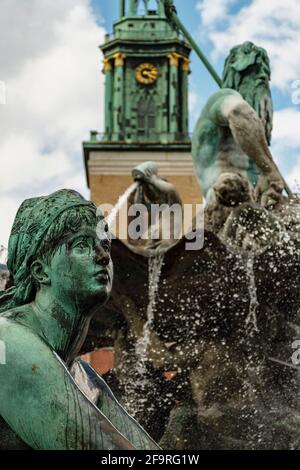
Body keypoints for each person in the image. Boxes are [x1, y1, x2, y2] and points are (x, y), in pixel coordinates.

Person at [0, 189, 159, 450]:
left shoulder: (84, 374)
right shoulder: (8, 341)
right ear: (40, 271)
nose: (103, 256)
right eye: (82, 245)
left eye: (104, 244)